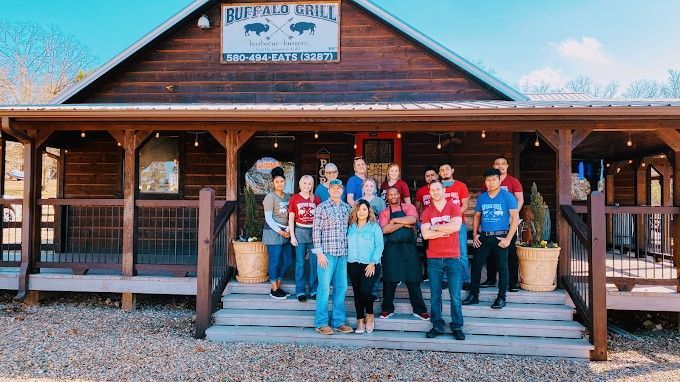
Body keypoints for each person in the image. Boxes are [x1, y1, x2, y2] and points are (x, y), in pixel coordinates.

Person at [464, 168, 520, 310]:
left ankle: (501, 298)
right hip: (484, 237)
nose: (490, 182)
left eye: (493, 179)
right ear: (485, 182)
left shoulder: (508, 196)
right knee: (476, 265)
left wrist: (508, 238)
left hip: (501, 236)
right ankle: (474, 295)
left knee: (502, 267)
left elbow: (515, 218)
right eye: (488, 180)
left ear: (499, 180)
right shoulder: (482, 197)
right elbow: (477, 216)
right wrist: (475, 234)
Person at [421, 180, 465, 340]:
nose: (435, 192)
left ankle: (457, 326)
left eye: (438, 189)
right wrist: (445, 228)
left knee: (455, 295)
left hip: (452, 256)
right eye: (432, 190)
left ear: (443, 190)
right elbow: (425, 235)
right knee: (435, 295)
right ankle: (437, 325)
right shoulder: (427, 211)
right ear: (430, 192)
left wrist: (434, 228)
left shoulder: (453, 207)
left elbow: (456, 227)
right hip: (433, 258)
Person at [378, 187, 429, 321]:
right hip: (391, 248)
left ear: (399, 195)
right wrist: (403, 223)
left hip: (409, 248)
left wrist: (394, 221)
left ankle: (419, 310)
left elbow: (412, 219)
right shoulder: (384, 212)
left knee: (413, 279)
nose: (393, 196)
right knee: (390, 280)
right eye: (390, 194)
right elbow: (384, 229)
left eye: (395, 193)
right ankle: (387, 309)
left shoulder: (408, 206)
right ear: (387, 197)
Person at [312, 179, 353, 335]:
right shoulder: (322, 207)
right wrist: (319, 253)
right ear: (329, 190)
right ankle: (321, 322)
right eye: (333, 188)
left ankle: (338, 321)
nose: (336, 190)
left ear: (342, 190)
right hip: (327, 254)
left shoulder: (347, 208)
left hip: (342, 254)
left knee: (341, 287)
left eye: (338, 188)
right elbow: (316, 231)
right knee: (323, 288)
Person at [480, 156, 524, 292]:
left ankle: (513, 282)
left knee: (510, 253)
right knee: (491, 253)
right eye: (497, 164)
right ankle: (491, 279)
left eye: (503, 164)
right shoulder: (488, 181)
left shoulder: (513, 181)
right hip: (493, 222)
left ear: (507, 166)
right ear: (494, 165)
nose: (500, 166)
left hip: (509, 222)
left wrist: (513, 216)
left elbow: (520, 199)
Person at [347, 199, 384, 334]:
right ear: (355, 211)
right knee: (357, 293)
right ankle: (360, 321)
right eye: (359, 209)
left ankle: (369, 315)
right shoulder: (350, 226)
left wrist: (373, 262)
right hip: (353, 264)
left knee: (365, 291)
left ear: (369, 212)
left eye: (364, 209)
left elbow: (380, 246)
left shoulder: (374, 227)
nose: (361, 212)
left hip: (370, 265)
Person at [288, 175, 321, 302]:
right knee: (300, 262)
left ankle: (314, 289)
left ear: (312, 186)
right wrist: (292, 235)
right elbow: (291, 218)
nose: (307, 186)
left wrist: (319, 236)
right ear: (300, 184)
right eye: (305, 183)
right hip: (300, 231)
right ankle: (300, 290)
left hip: (313, 232)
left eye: (309, 184)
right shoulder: (294, 198)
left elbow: (319, 218)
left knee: (314, 263)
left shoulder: (316, 199)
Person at [438, 162, 471, 288]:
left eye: (447, 169)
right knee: (444, 251)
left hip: (458, 224)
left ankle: (464, 279)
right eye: (441, 170)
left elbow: (465, 205)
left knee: (461, 251)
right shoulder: (437, 186)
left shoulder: (461, 185)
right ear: (439, 173)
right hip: (441, 224)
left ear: (452, 170)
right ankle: (445, 279)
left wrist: (454, 218)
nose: (444, 171)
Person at [262, 167, 292, 299]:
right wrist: (281, 231)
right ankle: (274, 289)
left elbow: (291, 215)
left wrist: (289, 230)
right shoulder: (270, 197)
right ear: (273, 183)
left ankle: (278, 285)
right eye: (277, 182)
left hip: (286, 232)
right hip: (274, 233)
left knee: (288, 261)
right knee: (275, 261)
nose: (280, 183)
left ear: (285, 182)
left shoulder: (287, 196)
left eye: (282, 181)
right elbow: (268, 218)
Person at [358, 177, 386, 302]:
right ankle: (363, 290)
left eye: (371, 186)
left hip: (375, 235)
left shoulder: (379, 201)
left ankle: (374, 291)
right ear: (363, 188)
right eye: (366, 186)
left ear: (374, 188)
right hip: (362, 237)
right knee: (362, 263)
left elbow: (384, 217)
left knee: (374, 262)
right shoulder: (358, 201)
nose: (368, 188)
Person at [414, 166, 439, 280]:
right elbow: (417, 208)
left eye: (432, 175)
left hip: (440, 223)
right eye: (427, 176)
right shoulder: (421, 191)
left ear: (437, 176)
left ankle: (441, 275)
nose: (430, 177)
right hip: (427, 224)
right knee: (427, 250)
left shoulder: (441, 188)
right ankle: (428, 273)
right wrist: (419, 223)